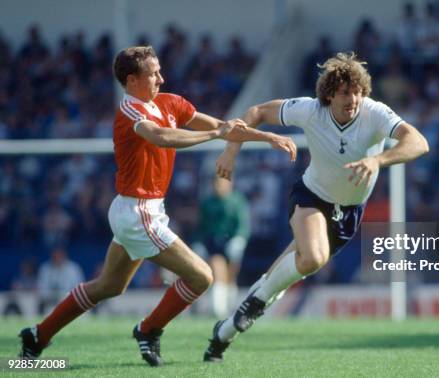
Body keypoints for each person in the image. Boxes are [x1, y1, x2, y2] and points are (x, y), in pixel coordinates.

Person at [18, 45, 297, 367]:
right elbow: (163, 137)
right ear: (132, 79)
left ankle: (37, 336)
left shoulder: (168, 102)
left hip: (140, 209)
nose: (161, 79)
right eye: (153, 74)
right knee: (202, 277)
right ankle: (148, 330)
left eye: (160, 71)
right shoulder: (130, 111)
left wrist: (268, 138)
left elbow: (223, 125)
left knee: (108, 286)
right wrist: (217, 134)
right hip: (137, 213)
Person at [204, 52, 429, 362]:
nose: (353, 99)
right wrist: (231, 152)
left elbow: (418, 142)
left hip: (348, 211)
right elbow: (255, 112)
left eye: (358, 91)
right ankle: (252, 306)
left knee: (284, 274)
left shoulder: (374, 113)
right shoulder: (310, 110)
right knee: (313, 257)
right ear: (329, 94)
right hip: (311, 197)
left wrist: (378, 159)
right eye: (345, 92)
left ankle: (224, 332)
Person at [198, 176, 250, 318]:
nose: (218, 187)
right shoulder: (207, 203)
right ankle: (218, 308)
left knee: (231, 275)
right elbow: (200, 226)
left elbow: (243, 225)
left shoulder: (237, 201)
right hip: (213, 243)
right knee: (217, 266)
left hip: (232, 242)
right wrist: (198, 243)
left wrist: (239, 239)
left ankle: (228, 303)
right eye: (216, 183)